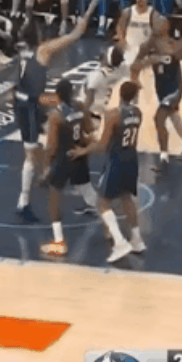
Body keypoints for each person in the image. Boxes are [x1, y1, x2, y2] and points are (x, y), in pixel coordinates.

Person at [14, 0, 99, 223]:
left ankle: (27, 197)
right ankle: (54, 175)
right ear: (38, 35)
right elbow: (73, 37)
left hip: (22, 103)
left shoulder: (22, 51)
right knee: (67, 126)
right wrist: (82, 24)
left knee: (33, 152)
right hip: (33, 104)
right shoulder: (43, 50)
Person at [69, 81, 146, 263]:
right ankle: (137, 240)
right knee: (126, 197)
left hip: (116, 160)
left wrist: (83, 150)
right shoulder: (138, 113)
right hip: (132, 158)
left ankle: (120, 242)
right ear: (134, 96)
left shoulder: (113, 114)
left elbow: (103, 145)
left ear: (120, 94)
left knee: (102, 202)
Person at [132, 34, 182, 172]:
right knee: (174, 116)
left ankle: (164, 158)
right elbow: (136, 65)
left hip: (175, 89)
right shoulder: (147, 47)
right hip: (161, 89)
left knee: (159, 118)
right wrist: (136, 80)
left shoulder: (174, 46)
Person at [38, 79, 96, 257]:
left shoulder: (56, 116)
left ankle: (59, 242)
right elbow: (89, 130)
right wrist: (84, 148)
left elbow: (51, 146)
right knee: (88, 192)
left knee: (54, 196)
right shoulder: (80, 106)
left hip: (64, 158)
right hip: (79, 154)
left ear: (58, 95)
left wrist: (46, 168)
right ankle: (111, 230)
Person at [115, 0, 169, 69]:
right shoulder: (128, 12)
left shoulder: (153, 14)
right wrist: (122, 40)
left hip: (146, 51)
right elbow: (120, 27)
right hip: (129, 49)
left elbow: (160, 30)